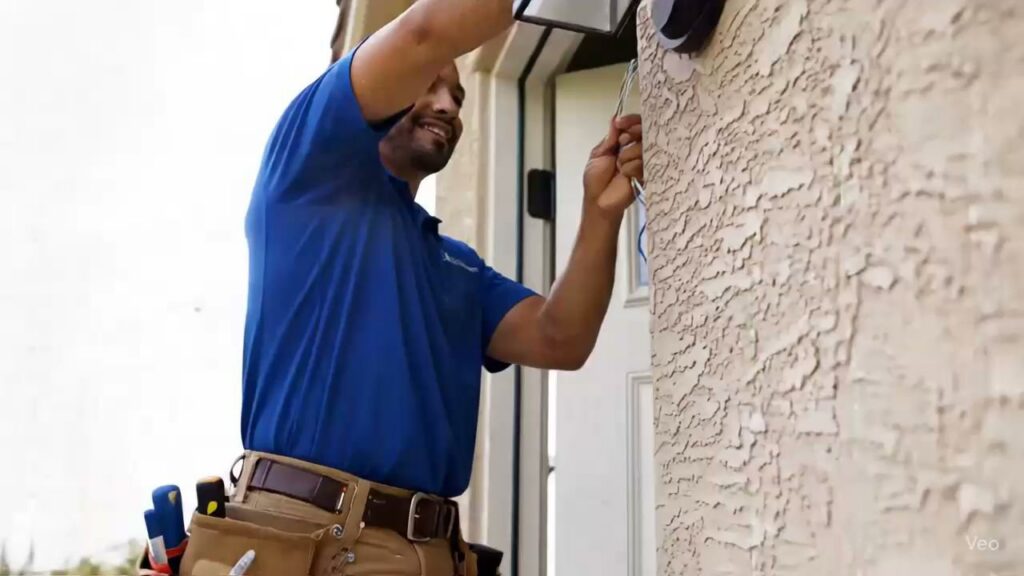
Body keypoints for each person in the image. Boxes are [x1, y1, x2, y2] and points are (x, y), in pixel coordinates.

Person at [179, 1, 645, 575]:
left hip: (428, 553)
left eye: (459, 97)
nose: (448, 105)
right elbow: (425, 31)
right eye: (430, 84)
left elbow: (561, 339)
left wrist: (601, 212)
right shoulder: (307, 171)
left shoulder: (457, 266)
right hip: (304, 537)